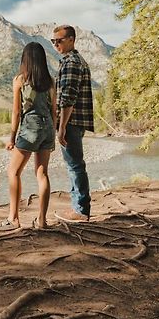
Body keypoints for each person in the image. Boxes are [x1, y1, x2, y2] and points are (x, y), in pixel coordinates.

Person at [0, 42, 56, 231]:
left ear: (26, 60)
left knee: (13, 172)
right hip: (47, 128)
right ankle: (42, 221)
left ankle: (13, 218)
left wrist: (12, 137)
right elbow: (54, 110)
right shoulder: (50, 82)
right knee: (42, 174)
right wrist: (52, 131)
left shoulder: (20, 80)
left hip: (30, 129)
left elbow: (16, 113)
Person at [51, 25, 94, 222]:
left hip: (71, 122)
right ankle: (78, 208)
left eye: (59, 40)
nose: (56, 44)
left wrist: (61, 128)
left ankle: (80, 211)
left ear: (71, 39)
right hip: (74, 122)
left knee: (75, 166)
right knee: (75, 165)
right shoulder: (74, 61)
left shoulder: (71, 63)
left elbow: (68, 99)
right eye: (53, 41)